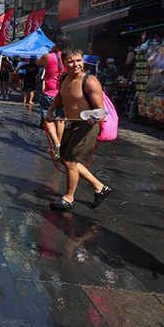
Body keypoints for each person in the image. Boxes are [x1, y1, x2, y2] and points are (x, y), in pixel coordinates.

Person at [45, 48, 111, 210]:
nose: (75, 65)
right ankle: (100, 187)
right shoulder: (64, 78)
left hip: (86, 126)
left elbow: (101, 112)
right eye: (71, 61)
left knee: (71, 161)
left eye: (79, 61)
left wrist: (93, 118)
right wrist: (50, 111)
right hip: (71, 123)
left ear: (83, 60)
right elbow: (60, 96)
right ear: (64, 63)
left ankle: (69, 198)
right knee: (64, 159)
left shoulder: (90, 81)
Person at [37, 35, 71, 157]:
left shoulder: (48, 56)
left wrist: (52, 51)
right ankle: (60, 144)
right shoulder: (70, 58)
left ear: (56, 44)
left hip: (49, 92)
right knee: (60, 119)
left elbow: (37, 63)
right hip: (64, 93)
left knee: (48, 118)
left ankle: (56, 144)